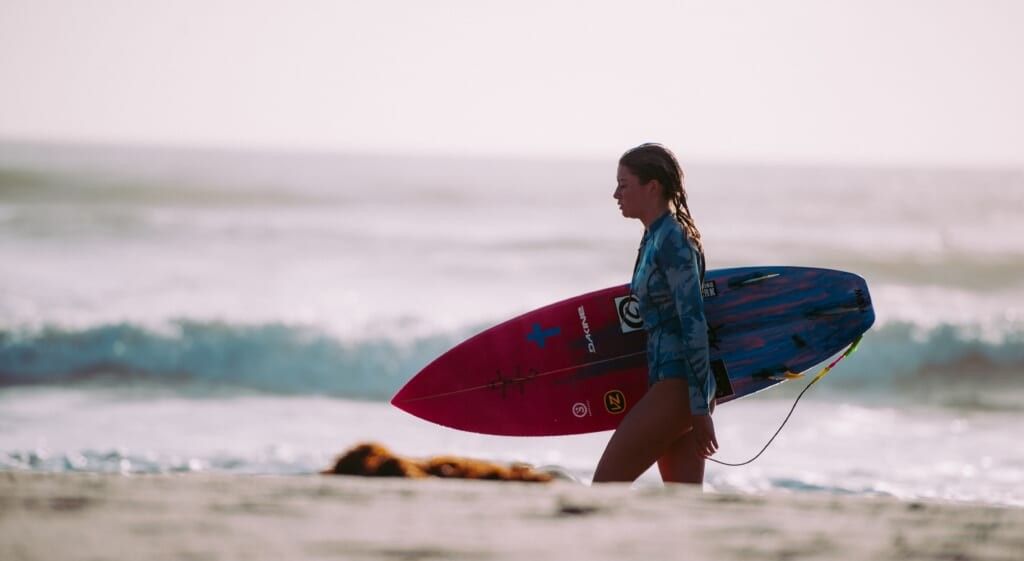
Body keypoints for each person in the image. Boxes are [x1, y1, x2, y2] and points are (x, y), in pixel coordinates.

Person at [593, 143, 717, 485]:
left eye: (624, 184)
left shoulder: (673, 240)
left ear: (652, 187)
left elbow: (693, 323)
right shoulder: (653, 237)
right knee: (683, 502)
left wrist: (699, 407)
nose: (616, 193)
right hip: (667, 384)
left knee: (604, 487)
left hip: (677, 388)